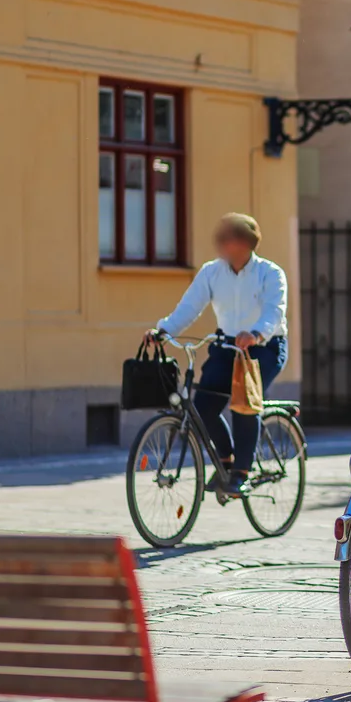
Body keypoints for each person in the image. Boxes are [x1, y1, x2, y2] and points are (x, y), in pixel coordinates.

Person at [146, 213, 288, 497]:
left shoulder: (270, 273)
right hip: (226, 346)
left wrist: (256, 333)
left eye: (227, 239)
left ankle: (241, 472)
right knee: (203, 404)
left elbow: (274, 312)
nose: (220, 244)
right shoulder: (211, 272)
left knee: (243, 401)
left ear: (245, 243)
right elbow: (189, 307)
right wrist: (163, 330)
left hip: (263, 347)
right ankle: (226, 460)